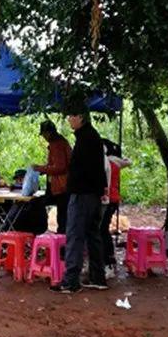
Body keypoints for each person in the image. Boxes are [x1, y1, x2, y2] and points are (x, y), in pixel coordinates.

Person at [52, 105, 107, 293]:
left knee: (75, 235)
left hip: (82, 194)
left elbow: (80, 169)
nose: (69, 119)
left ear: (81, 117)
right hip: (92, 194)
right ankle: (98, 277)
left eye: (71, 115)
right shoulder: (92, 137)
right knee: (93, 235)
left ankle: (71, 281)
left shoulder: (85, 139)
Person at [32, 120, 73, 234]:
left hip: (62, 186)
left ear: (48, 133)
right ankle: (62, 241)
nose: (44, 137)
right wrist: (43, 169)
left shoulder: (57, 144)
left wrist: (40, 168)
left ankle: (62, 244)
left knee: (63, 217)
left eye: (44, 134)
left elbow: (60, 167)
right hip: (61, 185)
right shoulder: (59, 142)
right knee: (62, 215)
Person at [101, 139, 132, 278]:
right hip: (113, 199)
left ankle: (108, 263)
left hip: (108, 200)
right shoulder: (116, 162)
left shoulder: (108, 163)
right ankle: (107, 262)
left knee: (102, 231)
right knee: (102, 230)